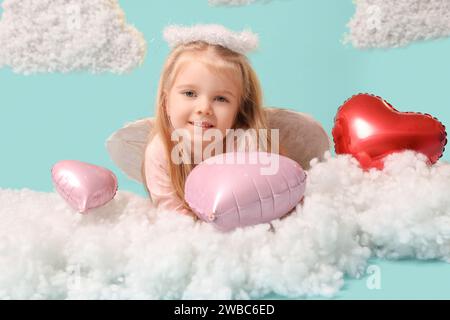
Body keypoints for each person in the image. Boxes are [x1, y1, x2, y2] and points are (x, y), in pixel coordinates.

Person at [142, 24, 286, 218]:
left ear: (238, 109)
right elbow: (172, 216)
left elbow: (271, 205)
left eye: (220, 99)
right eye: (190, 93)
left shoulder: (249, 146)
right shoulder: (161, 151)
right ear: (166, 102)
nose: (204, 108)